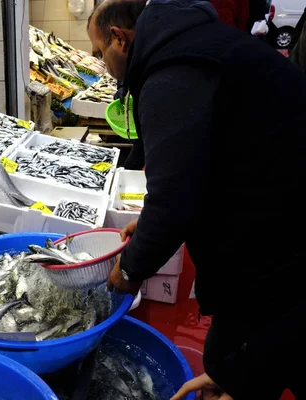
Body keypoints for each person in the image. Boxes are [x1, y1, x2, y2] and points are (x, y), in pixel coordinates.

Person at [87, 0, 306, 399]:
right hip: (275, 217)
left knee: (240, 354)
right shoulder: (200, 44)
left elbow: (175, 197)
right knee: (243, 356)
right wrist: (154, 224)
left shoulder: (172, 73)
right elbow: (210, 164)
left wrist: (132, 269)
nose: (104, 65)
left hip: (281, 245)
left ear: (119, 39)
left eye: (100, 53)